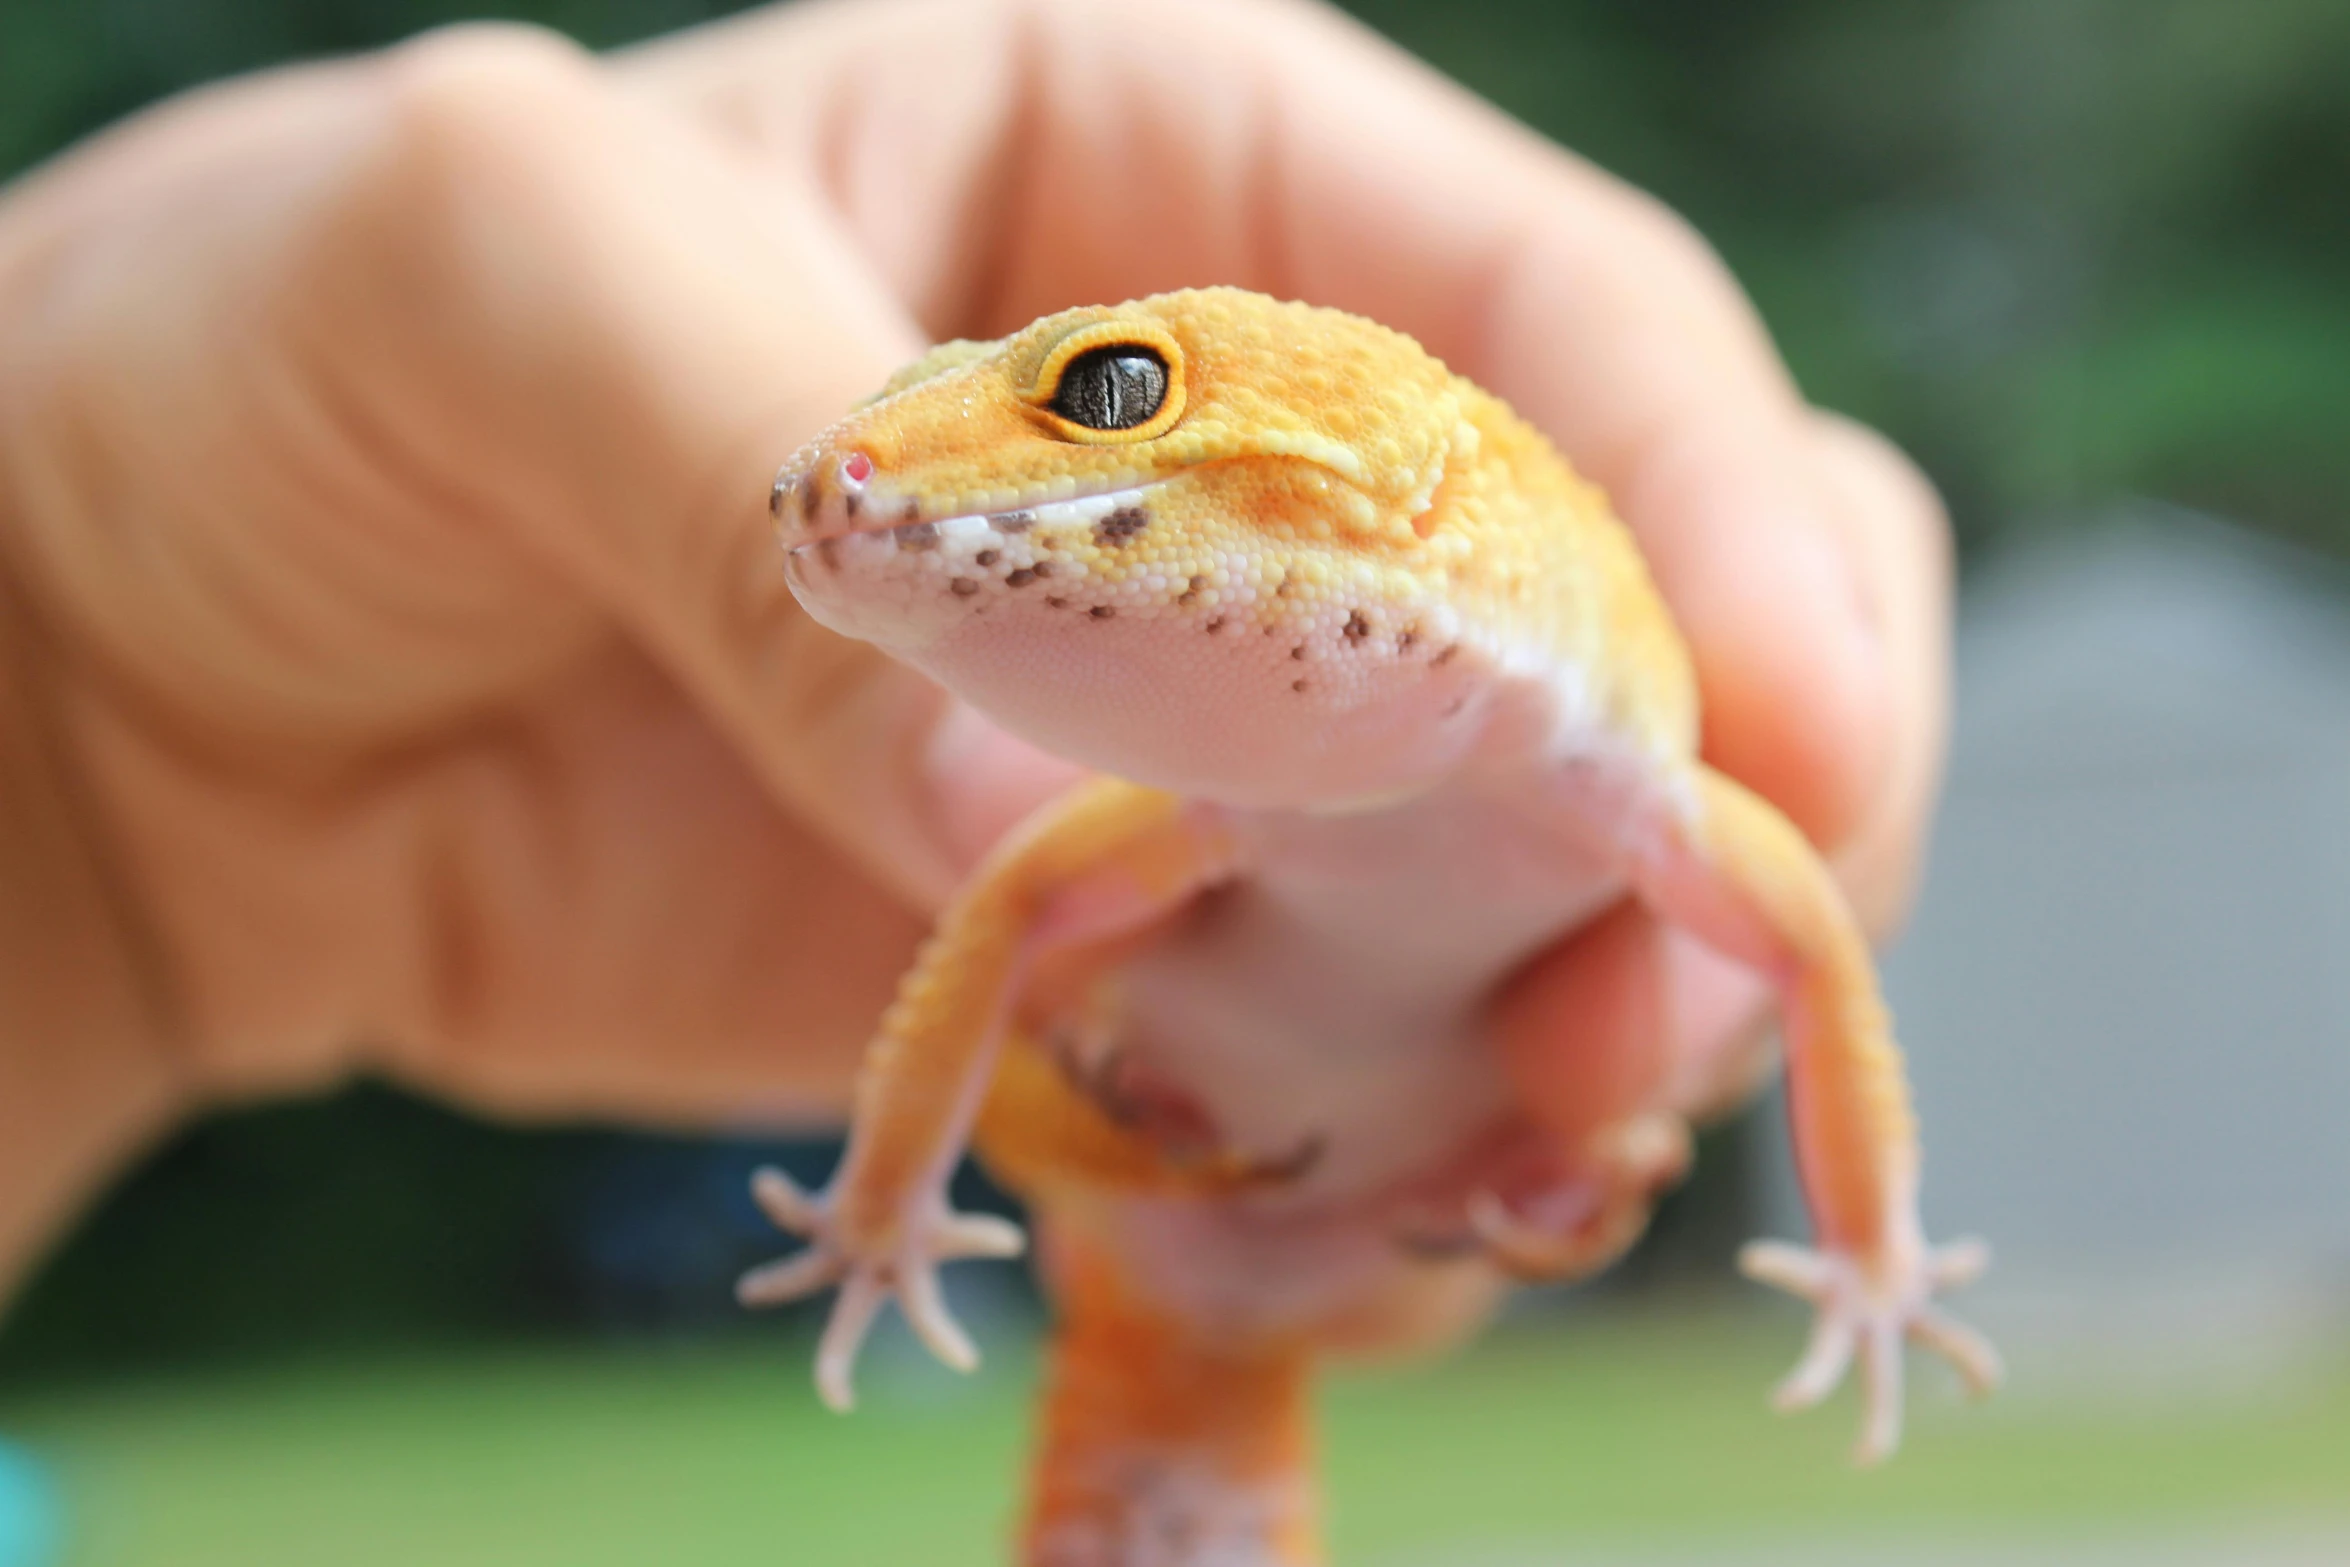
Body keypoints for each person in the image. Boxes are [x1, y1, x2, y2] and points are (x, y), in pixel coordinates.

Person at [0, 0, 1951, 1301]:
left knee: (1406, 1186)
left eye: (1100, 390)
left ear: (1411, 484)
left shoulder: (1599, 775)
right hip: (1197, 1125)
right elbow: (999, 933)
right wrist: (884, 1205)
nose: (832, 471)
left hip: (1246, 1140)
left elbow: (1805, 973)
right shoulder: (1190, 815)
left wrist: (1867, 1259)